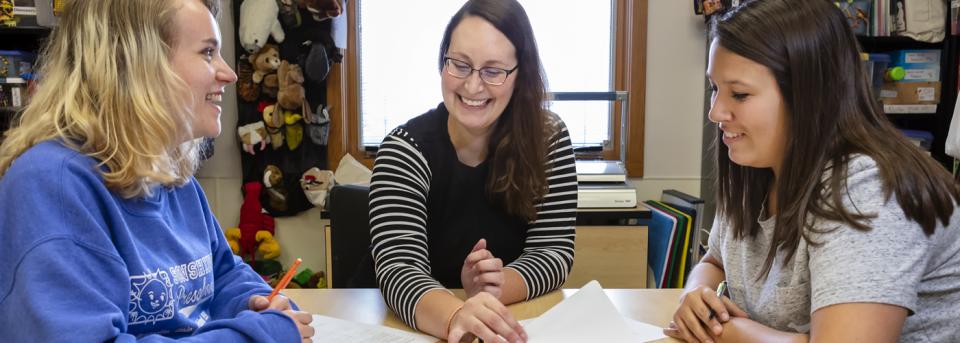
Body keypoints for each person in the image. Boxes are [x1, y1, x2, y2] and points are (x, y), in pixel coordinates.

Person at [0, 0, 314, 341]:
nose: (230, 73)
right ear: (137, 65)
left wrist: (253, 303)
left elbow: (223, 273)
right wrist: (257, 337)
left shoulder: (172, 176)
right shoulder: (52, 185)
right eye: (208, 53)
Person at [665, 0, 960, 342]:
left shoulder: (867, 189)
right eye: (715, 89)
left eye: (740, 94)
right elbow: (716, 258)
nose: (715, 112)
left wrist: (726, 331)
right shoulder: (756, 164)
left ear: (809, 95)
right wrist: (696, 294)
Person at [367, 0, 578, 342]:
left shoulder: (548, 139)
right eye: (460, 65)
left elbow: (553, 252)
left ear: (519, 75)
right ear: (442, 63)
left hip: (503, 324)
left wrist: (494, 288)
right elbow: (398, 270)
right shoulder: (404, 149)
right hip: (421, 327)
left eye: (493, 71)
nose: (473, 86)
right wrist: (458, 315)